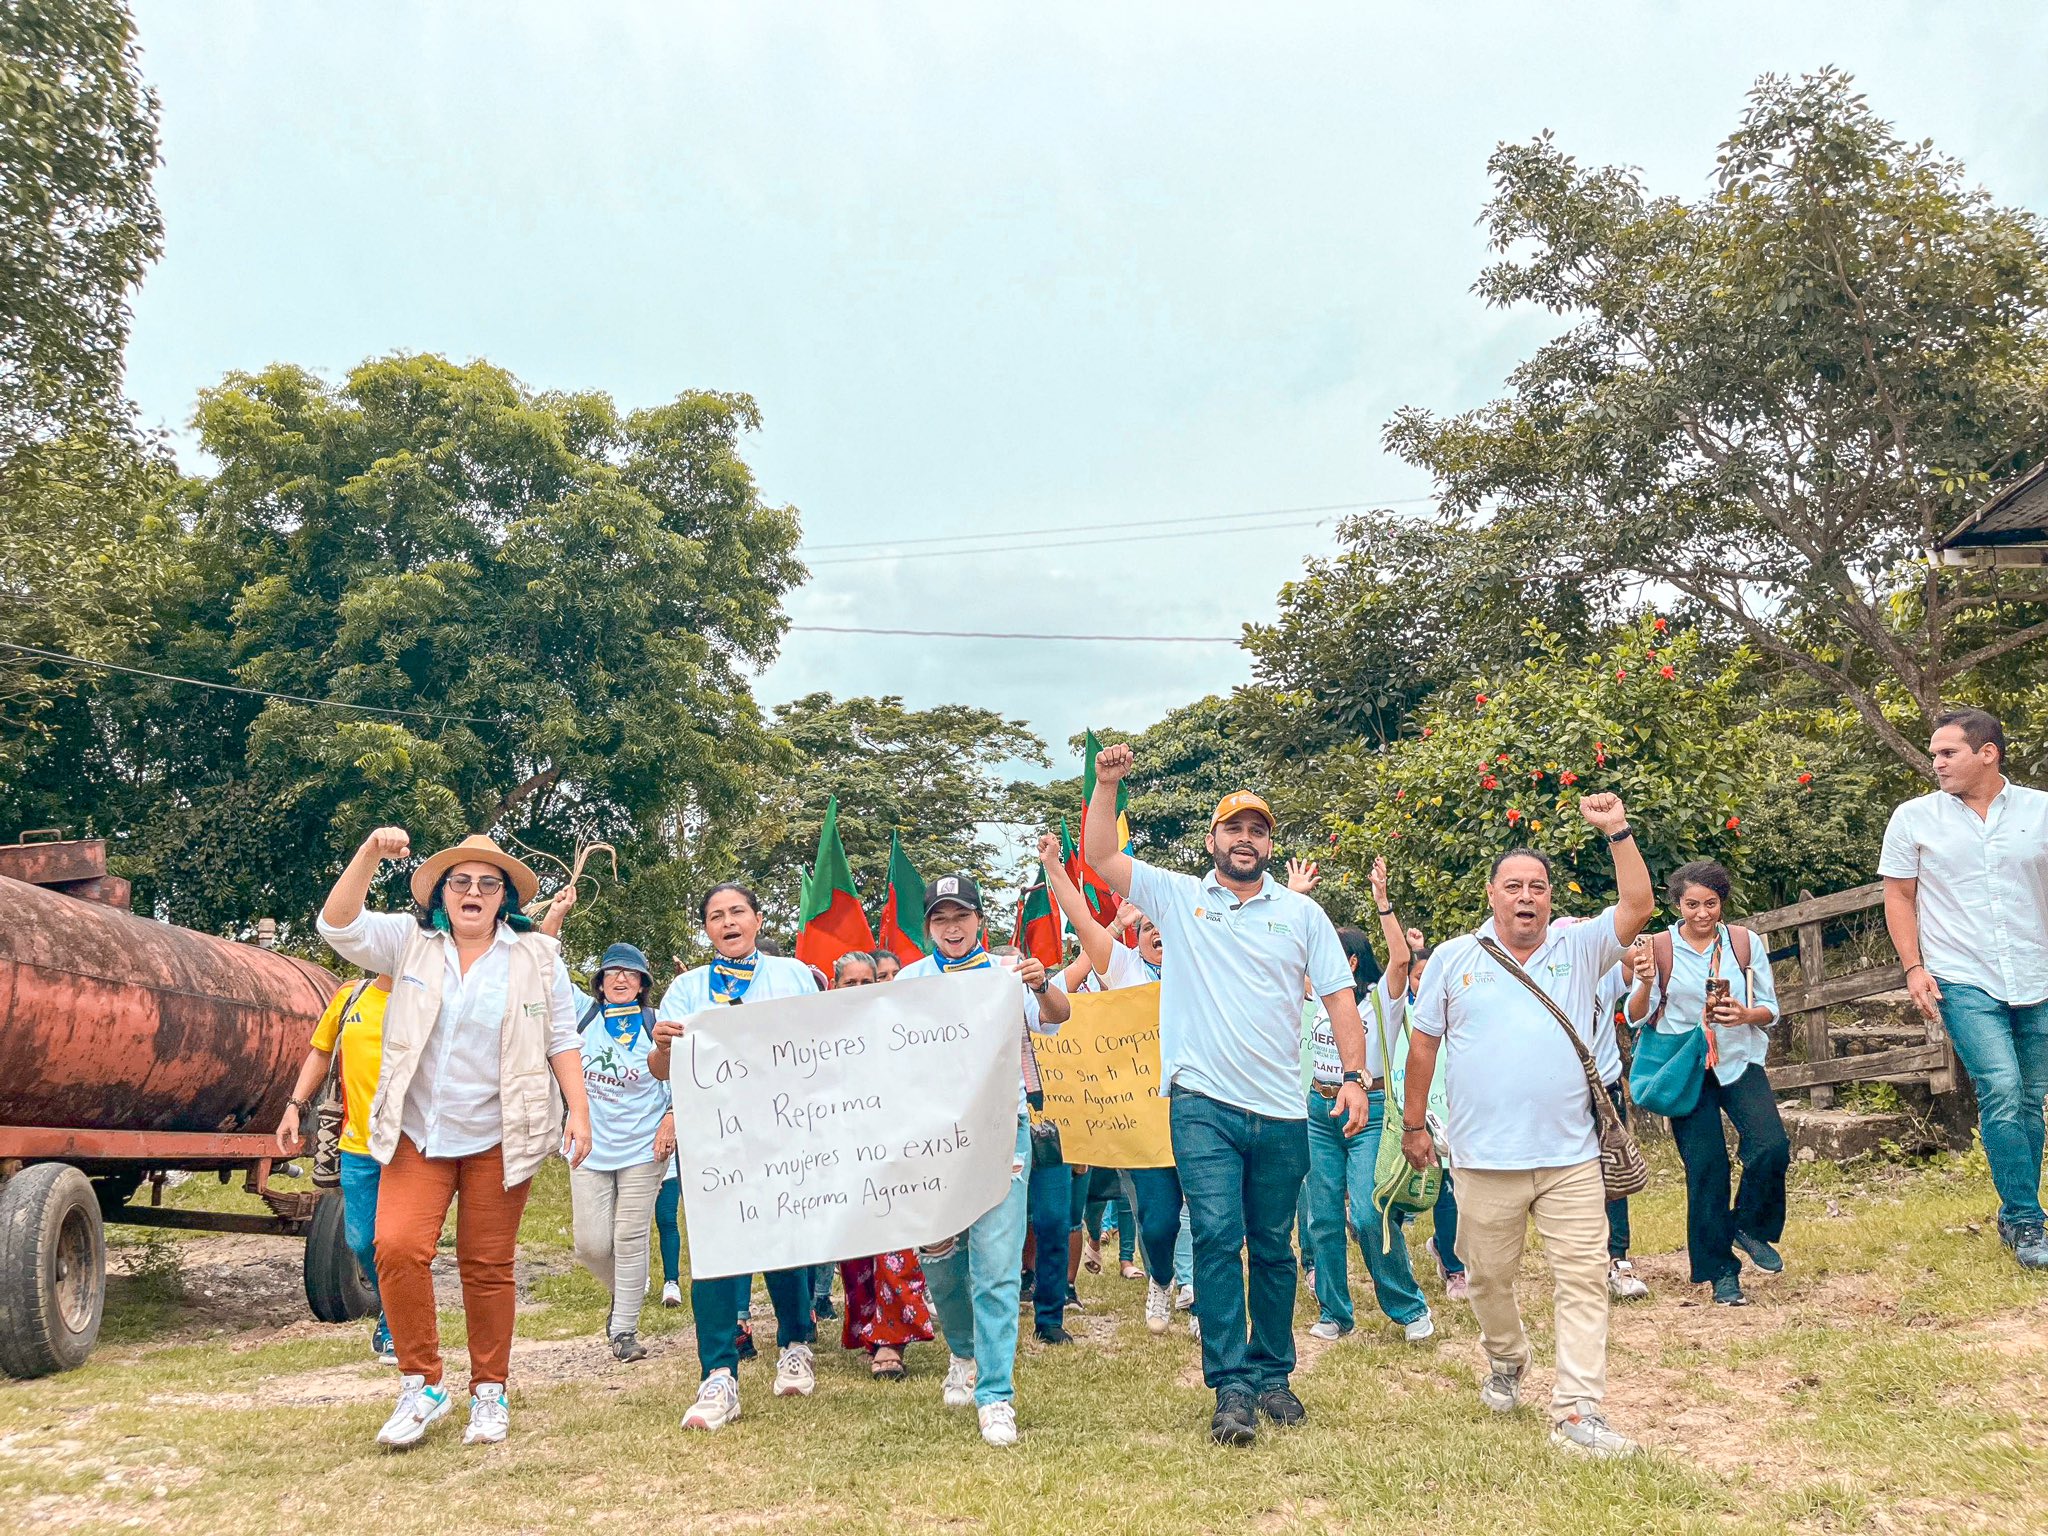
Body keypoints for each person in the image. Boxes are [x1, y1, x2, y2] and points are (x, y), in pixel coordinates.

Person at [1084, 746, 1368, 1447]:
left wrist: (1355, 1079)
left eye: (1258, 830)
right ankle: (1231, 1386)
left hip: (1279, 1107)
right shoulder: (1180, 897)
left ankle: (1273, 1375)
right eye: (1233, 829)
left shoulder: (1301, 915)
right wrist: (1108, 784)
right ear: (1212, 841)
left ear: (1270, 845)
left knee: (1273, 1244)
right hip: (1201, 1102)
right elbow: (1099, 857)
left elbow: (1338, 999)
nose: (1246, 840)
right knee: (1215, 1235)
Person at [317, 829, 594, 1450]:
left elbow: (562, 1039)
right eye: (461, 881)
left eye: (487, 884)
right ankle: (422, 1381)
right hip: (419, 1132)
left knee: (487, 1266)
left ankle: (489, 1391)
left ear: (505, 898)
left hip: (501, 1134)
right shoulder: (410, 943)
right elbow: (337, 926)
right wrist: (367, 852)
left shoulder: (538, 957)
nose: (473, 891)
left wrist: (578, 1109)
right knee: (395, 1246)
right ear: (442, 892)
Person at [1402, 793, 1654, 1460]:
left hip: (1571, 1157)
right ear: (1492, 894)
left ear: (1549, 898)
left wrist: (1617, 832)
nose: (1526, 897)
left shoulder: (1581, 944)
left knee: (1581, 1277)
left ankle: (1578, 1411)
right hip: (1483, 1159)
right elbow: (1424, 1044)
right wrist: (1413, 1125)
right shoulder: (1456, 958)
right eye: (1513, 886)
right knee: (1486, 1278)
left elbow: (1637, 907)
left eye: (1537, 888)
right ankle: (1508, 1357)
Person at [901, 873, 1071, 1446]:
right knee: (940, 1252)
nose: (953, 928)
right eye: (941, 919)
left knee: (997, 1261)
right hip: (933, 1139)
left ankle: (996, 1394)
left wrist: (1042, 980)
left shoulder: (1008, 972)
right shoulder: (908, 982)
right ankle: (963, 1352)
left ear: (980, 922)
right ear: (928, 927)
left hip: (1005, 1128)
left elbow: (1058, 1013)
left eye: (962, 916)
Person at [649, 882, 824, 1430]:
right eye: (716, 916)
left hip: (784, 1136)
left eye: (737, 913)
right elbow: (661, 1071)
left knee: (785, 1244)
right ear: (706, 929)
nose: (728, 923)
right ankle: (718, 1375)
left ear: (756, 918)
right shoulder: (685, 988)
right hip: (715, 1143)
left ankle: (795, 1343)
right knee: (717, 1254)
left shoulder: (795, 975)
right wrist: (662, 1045)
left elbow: (826, 1044)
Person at [1881, 708, 2048, 1271]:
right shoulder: (1913, 818)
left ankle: (2017, 1212)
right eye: (1934, 753)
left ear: (1987, 753)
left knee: (2030, 1097)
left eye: (1947, 752)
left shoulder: (2041, 810)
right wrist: (1913, 967)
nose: (1937, 763)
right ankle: (2027, 1218)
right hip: (1962, 976)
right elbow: (1900, 896)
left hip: (2037, 973)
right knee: (2000, 1086)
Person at [1035, 833, 1192, 1338]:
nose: (1156, 931)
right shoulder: (1122, 968)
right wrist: (1055, 869)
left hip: (1203, 1113)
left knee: (1213, 1216)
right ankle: (1161, 1279)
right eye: (1146, 926)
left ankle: (1209, 1305)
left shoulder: (1203, 969)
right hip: (1145, 1126)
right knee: (1160, 1221)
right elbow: (1082, 921)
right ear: (1137, 936)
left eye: (1163, 923)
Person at [1624, 860, 1787, 1306]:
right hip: (1687, 1064)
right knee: (1707, 1168)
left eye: (1710, 903)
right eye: (1692, 904)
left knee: (1772, 1145)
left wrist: (1746, 1014)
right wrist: (1643, 982)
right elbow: (1636, 1016)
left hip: (1738, 1057)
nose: (1702, 913)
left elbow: (1770, 1007)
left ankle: (1748, 1226)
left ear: (1722, 902)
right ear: (1677, 904)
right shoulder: (1658, 948)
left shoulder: (1744, 943)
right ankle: (1721, 1274)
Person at [1304, 859, 1435, 1344]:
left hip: (1370, 1111)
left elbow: (1401, 960)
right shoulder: (1317, 999)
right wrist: (1299, 894)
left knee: (1367, 1212)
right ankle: (1335, 1313)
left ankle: (1408, 1306)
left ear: (1351, 962)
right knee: (1322, 1217)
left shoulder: (1382, 999)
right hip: (1319, 1112)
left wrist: (1384, 903)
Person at [276, 973, 396, 1366]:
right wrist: (295, 1105)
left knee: (402, 1242)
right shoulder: (351, 997)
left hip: (410, 1148)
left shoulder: (429, 991)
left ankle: (399, 1324)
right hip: (357, 1144)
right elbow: (321, 1051)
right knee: (362, 1240)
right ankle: (393, 1310)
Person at [569, 938, 674, 1361]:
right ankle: (630, 1287)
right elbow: (545, 965)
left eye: (630, 973)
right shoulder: (582, 1014)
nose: (621, 978)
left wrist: (672, 1116)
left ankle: (624, 1329)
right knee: (591, 1245)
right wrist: (555, 917)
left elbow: (685, 1072)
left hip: (644, 1144)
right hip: (588, 1143)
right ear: (599, 981)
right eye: (612, 971)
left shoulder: (657, 1021)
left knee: (629, 1237)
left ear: (642, 983)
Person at [1406, 938, 1469, 1304]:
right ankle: (1447, 1265)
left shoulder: (1461, 1010)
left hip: (1458, 1116)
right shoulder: (1403, 1015)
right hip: (1419, 1118)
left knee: (1457, 1198)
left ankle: (1452, 1259)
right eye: (1418, 976)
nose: (1424, 982)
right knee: (1425, 1197)